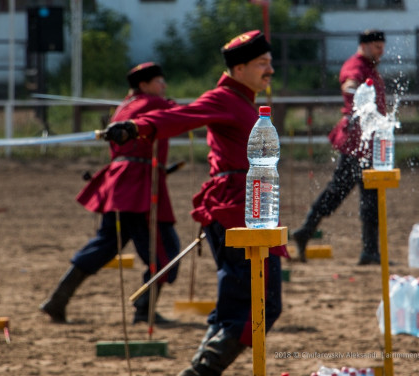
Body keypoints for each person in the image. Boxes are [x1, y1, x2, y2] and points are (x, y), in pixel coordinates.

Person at [103, 30, 288, 376]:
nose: (270, 70)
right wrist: (136, 127)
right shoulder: (223, 98)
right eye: (263, 63)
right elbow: (179, 117)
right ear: (239, 67)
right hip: (236, 211)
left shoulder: (244, 100)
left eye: (271, 63)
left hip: (245, 207)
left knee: (237, 304)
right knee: (260, 305)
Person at [40, 62, 181, 325]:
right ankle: (144, 309)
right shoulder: (152, 103)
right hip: (138, 186)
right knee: (165, 251)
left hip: (119, 185)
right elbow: (183, 116)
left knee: (104, 245)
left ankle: (58, 299)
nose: (164, 86)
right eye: (159, 81)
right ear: (144, 85)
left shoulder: (124, 107)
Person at [292, 29, 386, 265]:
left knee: (370, 195)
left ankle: (370, 251)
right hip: (357, 141)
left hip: (368, 141)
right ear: (364, 46)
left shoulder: (370, 67)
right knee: (339, 191)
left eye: (382, 47)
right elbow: (350, 84)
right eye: (376, 46)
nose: (381, 51)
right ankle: (306, 230)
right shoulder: (355, 65)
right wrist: (357, 93)